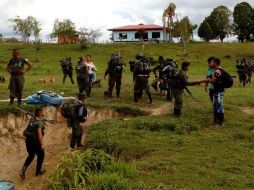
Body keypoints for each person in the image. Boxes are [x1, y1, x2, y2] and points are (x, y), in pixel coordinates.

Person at [19, 108, 46, 179]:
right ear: (40, 113)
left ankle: (23, 170)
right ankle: (38, 171)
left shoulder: (32, 119)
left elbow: (35, 123)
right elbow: (40, 135)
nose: (43, 114)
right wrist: (42, 145)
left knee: (31, 155)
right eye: (42, 112)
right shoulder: (39, 123)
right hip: (35, 143)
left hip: (28, 142)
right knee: (41, 155)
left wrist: (41, 119)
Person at [208, 57, 225, 126]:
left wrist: (208, 79)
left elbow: (213, 81)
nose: (210, 63)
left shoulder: (217, 71)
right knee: (216, 105)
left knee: (219, 106)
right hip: (218, 90)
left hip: (218, 91)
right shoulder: (218, 70)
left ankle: (220, 122)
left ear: (215, 63)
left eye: (212, 62)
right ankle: (217, 121)